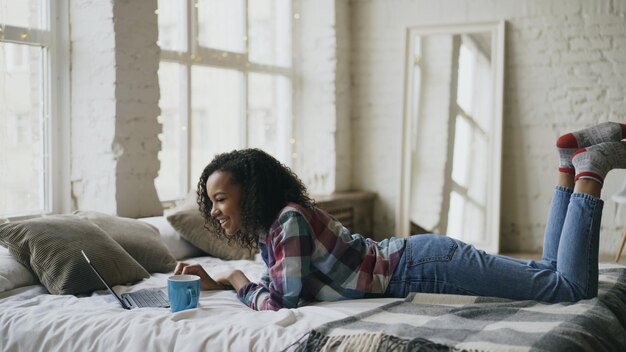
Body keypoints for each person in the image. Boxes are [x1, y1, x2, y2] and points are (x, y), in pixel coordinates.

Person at [175, 122, 626, 311]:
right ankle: (568, 165)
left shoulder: (287, 221)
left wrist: (235, 279)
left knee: (571, 291)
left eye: (220, 200)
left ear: (250, 194)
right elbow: (279, 284)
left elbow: (282, 302)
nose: (214, 212)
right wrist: (220, 281)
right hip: (421, 261)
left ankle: (591, 172)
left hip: (423, 269)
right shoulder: (276, 229)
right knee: (548, 274)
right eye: (211, 202)